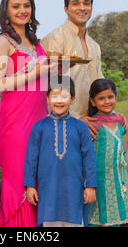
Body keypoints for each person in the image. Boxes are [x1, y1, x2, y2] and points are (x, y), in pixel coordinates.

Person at [0, 0, 53, 227]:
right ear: (6, 10)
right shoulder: (3, 42)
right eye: (16, 6)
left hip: (40, 118)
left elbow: (43, 81)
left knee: (37, 179)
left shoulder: (35, 42)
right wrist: (33, 72)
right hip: (15, 123)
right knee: (19, 181)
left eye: (26, 5)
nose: (22, 10)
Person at [24, 76, 97, 227]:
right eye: (55, 95)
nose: (59, 101)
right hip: (48, 191)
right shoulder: (39, 128)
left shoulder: (80, 128)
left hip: (74, 191)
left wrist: (90, 186)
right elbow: (31, 159)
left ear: (73, 99)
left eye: (64, 96)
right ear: (47, 98)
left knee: (75, 220)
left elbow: (89, 158)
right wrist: (30, 186)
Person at [41, 0, 105, 137]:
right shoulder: (56, 39)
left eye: (86, 3)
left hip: (91, 125)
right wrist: (76, 119)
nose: (82, 8)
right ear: (66, 9)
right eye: (75, 3)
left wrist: (111, 115)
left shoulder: (94, 46)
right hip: (63, 124)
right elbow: (51, 86)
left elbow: (100, 84)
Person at [87, 78, 128, 226]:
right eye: (101, 98)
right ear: (93, 101)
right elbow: (87, 155)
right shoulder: (92, 123)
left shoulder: (120, 121)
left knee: (116, 215)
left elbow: (126, 151)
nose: (107, 101)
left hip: (119, 175)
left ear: (116, 97)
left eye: (110, 97)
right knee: (99, 214)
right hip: (100, 178)